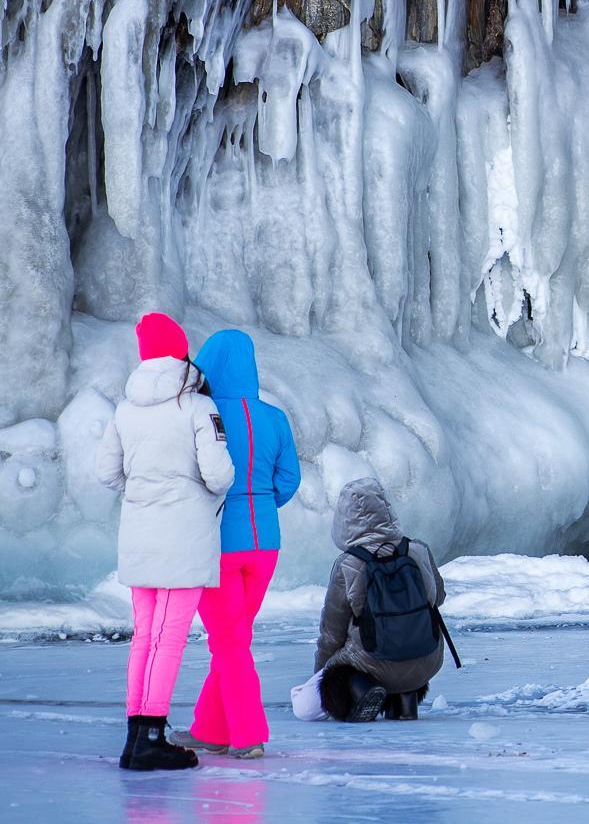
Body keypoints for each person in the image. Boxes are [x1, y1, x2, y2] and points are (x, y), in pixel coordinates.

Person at [96, 312, 235, 771]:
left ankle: (136, 736)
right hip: (185, 536)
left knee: (144, 637)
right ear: (180, 351)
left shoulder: (124, 409)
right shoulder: (197, 406)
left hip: (138, 535)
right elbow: (218, 476)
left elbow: (107, 473)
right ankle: (153, 735)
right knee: (169, 638)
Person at [177, 329, 300, 759]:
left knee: (228, 642)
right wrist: (262, 504)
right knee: (234, 639)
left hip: (218, 544)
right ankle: (210, 728)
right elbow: (289, 482)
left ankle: (248, 734)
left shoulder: (201, 414)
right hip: (265, 544)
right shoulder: (274, 418)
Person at [313, 478, 448, 722]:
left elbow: (332, 631)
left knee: (337, 676)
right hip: (427, 659)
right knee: (402, 646)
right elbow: (438, 597)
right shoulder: (418, 549)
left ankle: (360, 690)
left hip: (375, 663)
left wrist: (322, 674)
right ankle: (405, 703)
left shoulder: (349, 563)